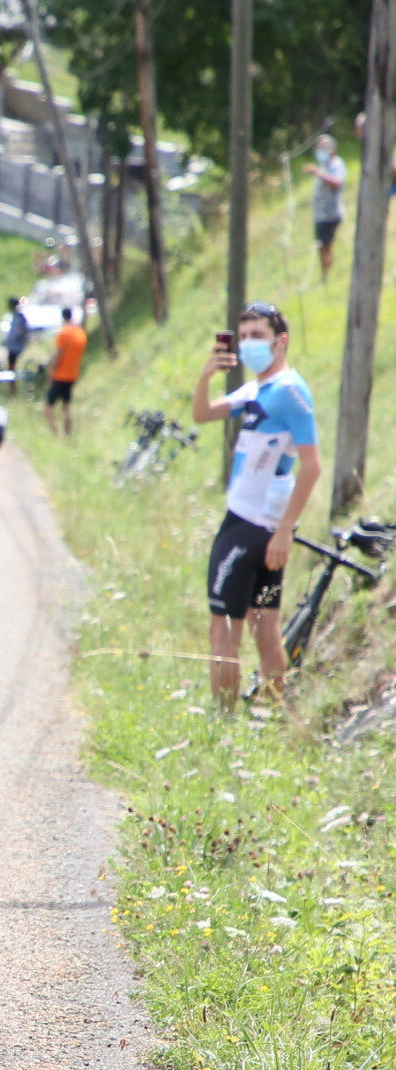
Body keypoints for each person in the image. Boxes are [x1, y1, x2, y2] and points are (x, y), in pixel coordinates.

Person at [191, 302, 322, 710]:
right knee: (265, 628)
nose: (248, 344)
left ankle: (224, 727)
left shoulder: (289, 391)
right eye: (243, 336)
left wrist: (286, 528)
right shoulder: (257, 388)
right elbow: (203, 414)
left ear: (280, 341)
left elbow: (312, 466)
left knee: (223, 631)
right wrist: (207, 375)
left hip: (248, 529)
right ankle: (271, 720)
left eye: (257, 336)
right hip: (261, 530)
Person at [303, 134, 348, 282]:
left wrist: (317, 173)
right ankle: (325, 275)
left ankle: (326, 277)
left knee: (326, 246)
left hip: (330, 215)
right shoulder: (324, 166)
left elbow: (336, 183)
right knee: (321, 246)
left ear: (332, 149)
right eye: (319, 148)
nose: (321, 151)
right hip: (321, 215)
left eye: (324, 148)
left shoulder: (336, 165)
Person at [45, 308, 87, 437]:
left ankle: (55, 434)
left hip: (60, 375)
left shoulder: (64, 334)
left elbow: (59, 356)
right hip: (73, 375)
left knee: (47, 408)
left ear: (63, 317)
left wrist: (51, 374)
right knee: (66, 406)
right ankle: (67, 434)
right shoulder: (81, 334)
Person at [2, 296, 30, 393]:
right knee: (11, 366)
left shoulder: (20, 317)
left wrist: (20, 336)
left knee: (12, 368)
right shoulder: (15, 315)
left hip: (16, 347)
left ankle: (13, 389)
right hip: (12, 346)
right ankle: (11, 388)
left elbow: (24, 332)